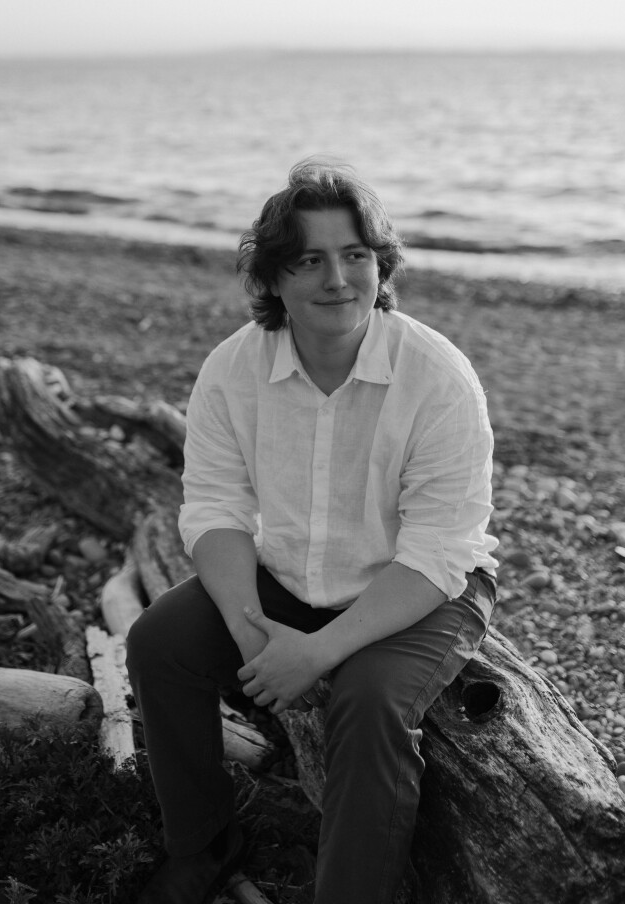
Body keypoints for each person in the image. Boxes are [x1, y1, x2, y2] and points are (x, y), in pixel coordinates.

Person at [126, 158, 499, 904]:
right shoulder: (233, 368)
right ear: (273, 277)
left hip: (422, 590)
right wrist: (250, 631)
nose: (338, 279)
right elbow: (216, 508)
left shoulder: (437, 377)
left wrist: (317, 653)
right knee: (159, 644)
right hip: (288, 574)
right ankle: (204, 843)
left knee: (367, 704)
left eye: (355, 255)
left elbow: (439, 548)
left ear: (380, 265)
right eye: (310, 260)